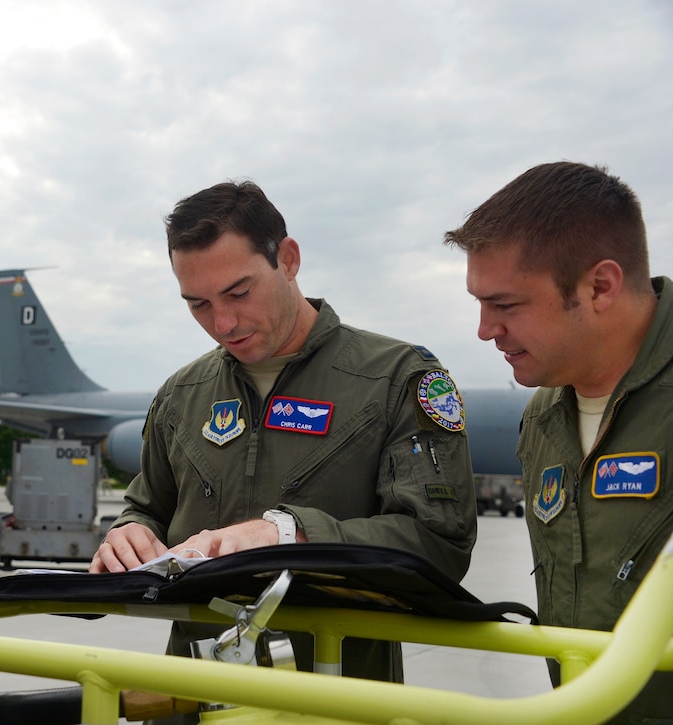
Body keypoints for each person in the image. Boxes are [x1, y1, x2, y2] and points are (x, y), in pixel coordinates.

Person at [91, 180, 477, 720]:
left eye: (239, 293)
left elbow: (439, 541)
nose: (222, 324)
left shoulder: (395, 379)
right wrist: (127, 533)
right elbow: (147, 506)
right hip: (191, 696)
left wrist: (290, 535)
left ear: (288, 259)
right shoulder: (182, 395)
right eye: (198, 304)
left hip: (336, 700)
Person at [444, 161, 672, 723]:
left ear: (599, 287)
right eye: (479, 304)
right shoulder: (544, 419)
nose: (484, 329)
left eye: (506, 305)